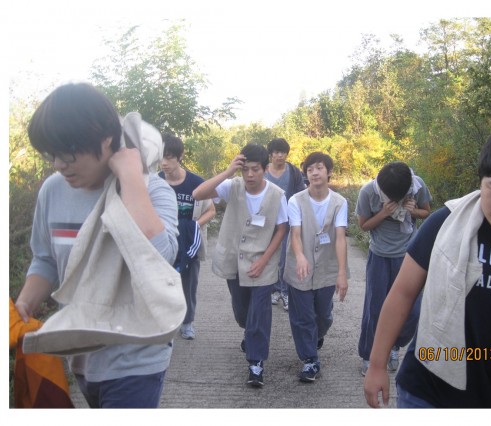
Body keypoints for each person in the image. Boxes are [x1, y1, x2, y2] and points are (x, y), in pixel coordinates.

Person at [14, 83, 180, 408]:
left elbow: (160, 261)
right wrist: (23, 305)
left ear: (106, 139)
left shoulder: (152, 191)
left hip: (137, 356)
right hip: (78, 349)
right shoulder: (53, 190)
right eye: (50, 153)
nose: (58, 164)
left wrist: (130, 177)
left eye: (68, 152)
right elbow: (45, 260)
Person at [364, 123, 491, 408]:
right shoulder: (445, 223)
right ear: (481, 181)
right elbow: (402, 292)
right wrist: (377, 364)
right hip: (425, 389)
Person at [193, 143, 288, 388]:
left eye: (255, 169)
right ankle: (249, 333)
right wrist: (228, 171)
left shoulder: (277, 194)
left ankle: (256, 363)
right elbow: (198, 194)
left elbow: (281, 229)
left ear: (265, 169)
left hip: (263, 265)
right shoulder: (232, 186)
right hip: (234, 261)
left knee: (260, 313)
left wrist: (264, 260)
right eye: (245, 169)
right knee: (242, 312)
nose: (250, 175)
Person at [356, 161, 432, 376]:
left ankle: (393, 346)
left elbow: (427, 212)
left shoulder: (416, 185)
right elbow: (363, 225)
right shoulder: (368, 192)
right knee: (375, 309)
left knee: (413, 311)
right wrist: (382, 213)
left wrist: (414, 211)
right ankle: (369, 355)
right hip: (379, 255)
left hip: (410, 256)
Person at [284, 152, 349, 382]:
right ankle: (310, 360)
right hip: (299, 266)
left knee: (323, 315)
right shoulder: (295, 200)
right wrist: (300, 256)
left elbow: (340, 237)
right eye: (310, 169)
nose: (314, 173)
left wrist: (342, 273)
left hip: (327, 267)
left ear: (329, 172)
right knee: (302, 316)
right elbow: (295, 233)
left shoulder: (340, 202)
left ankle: (316, 336)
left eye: (319, 168)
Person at [159, 133, 216, 340]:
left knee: (188, 284)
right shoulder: (155, 182)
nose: (164, 163)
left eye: (169, 157)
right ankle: (164, 323)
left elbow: (210, 210)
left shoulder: (196, 182)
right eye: (161, 157)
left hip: (190, 242)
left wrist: (193, 227)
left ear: (180, 156)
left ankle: (187, 322)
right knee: (161, 284)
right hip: (163, 242)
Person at [264, 138, 306, 311]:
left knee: (285, 258)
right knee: (268, 257)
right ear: (271, 154)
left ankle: (285, 291)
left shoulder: (294, 172)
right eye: (276, 152)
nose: (280, 155)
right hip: (265, 222)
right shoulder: (263, 170)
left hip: (287, 222)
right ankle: (274, 290)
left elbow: (301, 194)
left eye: (283, 152)